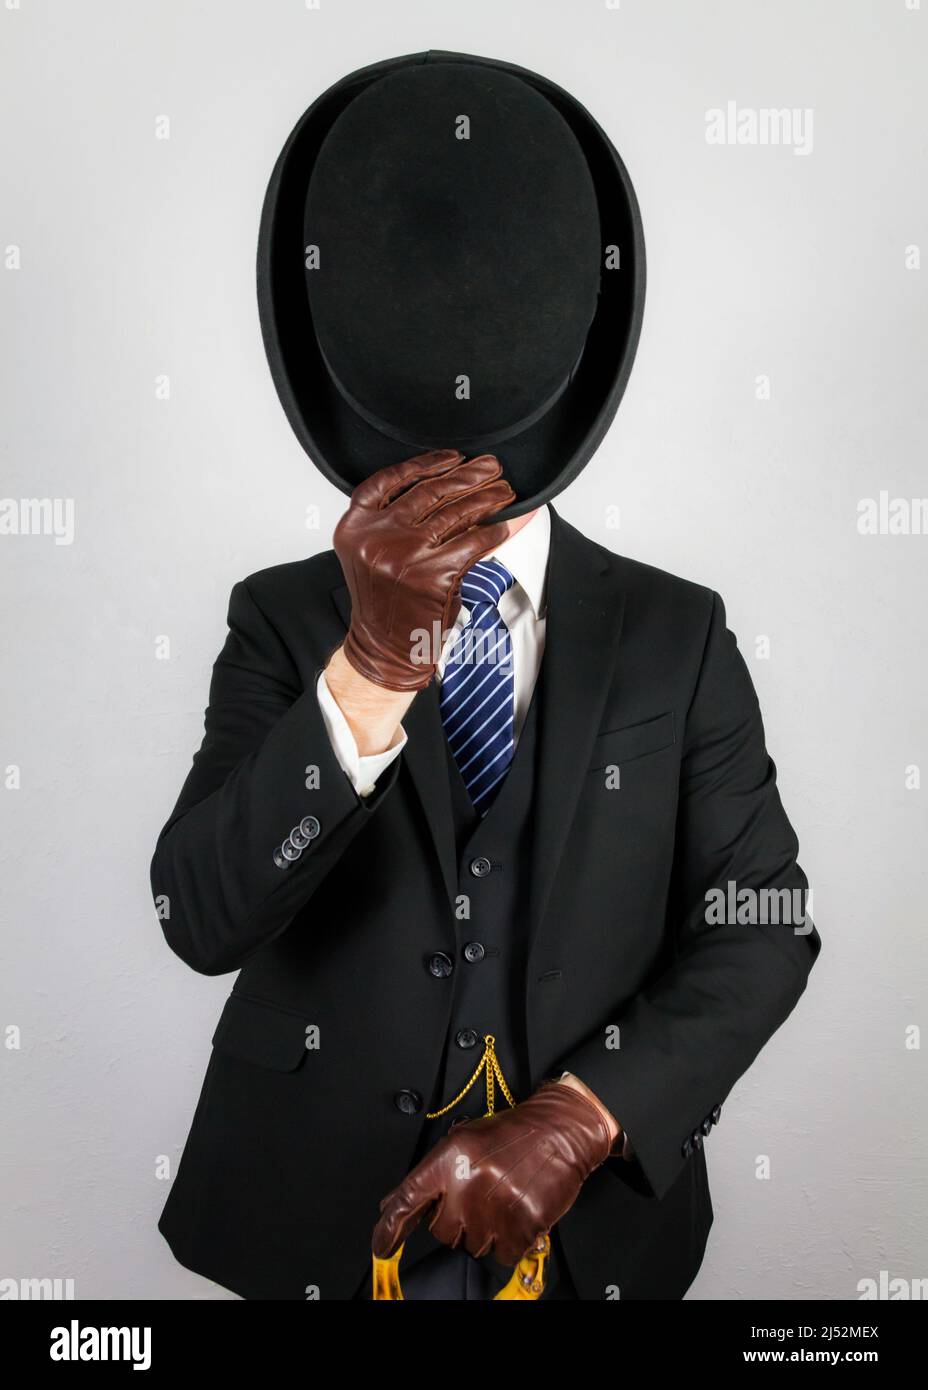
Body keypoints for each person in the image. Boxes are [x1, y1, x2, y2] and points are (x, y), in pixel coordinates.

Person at [151, 51, 821, 1301]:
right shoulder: (282, 619)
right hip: (317, 1229)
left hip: (582, 1241)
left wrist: (583, 1115)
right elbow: (198, 917)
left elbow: (763, 921)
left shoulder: (677, 634)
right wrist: (365, 667)